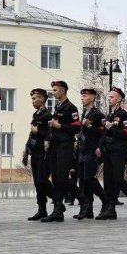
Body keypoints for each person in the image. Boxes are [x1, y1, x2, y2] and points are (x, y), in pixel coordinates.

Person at [96, 87, 127, 220]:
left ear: (119, 98)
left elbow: (126, 134)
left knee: (118, 179)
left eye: (112, 97)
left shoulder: (124, 115)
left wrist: (112, 127)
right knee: (108, 181)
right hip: (108, 152)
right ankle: (110, 209)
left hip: (118, 152)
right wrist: (99, 147)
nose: (109, 99)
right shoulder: (109, 115)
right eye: (109, 96)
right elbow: (103, 134)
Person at [41, 81, 82, 223]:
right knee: (55, 178)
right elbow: (52, 127)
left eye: (55, 90)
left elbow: (76, 128)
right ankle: (58, 209)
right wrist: (48, 139)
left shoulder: (71, 108)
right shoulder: (58, 106)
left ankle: (82, 199)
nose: (53, 92)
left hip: (65, 145)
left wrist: (60, 126)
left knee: (63, 177)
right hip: (55, 145)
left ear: (63, 91)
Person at [71, 88, 105, 220]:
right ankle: (87, 209)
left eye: (85, 96)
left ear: (92, 97)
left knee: (89, 178)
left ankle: (105, 199)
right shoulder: (85, 112)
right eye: (82, 96)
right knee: (83, 181)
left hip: (92, 150)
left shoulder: (98, 115)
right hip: (82, 150)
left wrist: (89, 126)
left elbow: (102, 134)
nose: (82, 98)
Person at [22, 88, 52, 221]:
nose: (32, 101)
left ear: (42, 99)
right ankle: (42, 209)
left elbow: (49, 134)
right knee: (37, 183)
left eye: (35, 98)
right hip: (34, 152)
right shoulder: (36, 115)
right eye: (32, 98)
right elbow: (31, 134)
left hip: (43, 153)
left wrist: (38, 130)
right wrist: (26, 150)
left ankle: (58, 201)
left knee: (42, 181)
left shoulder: (47, 115)